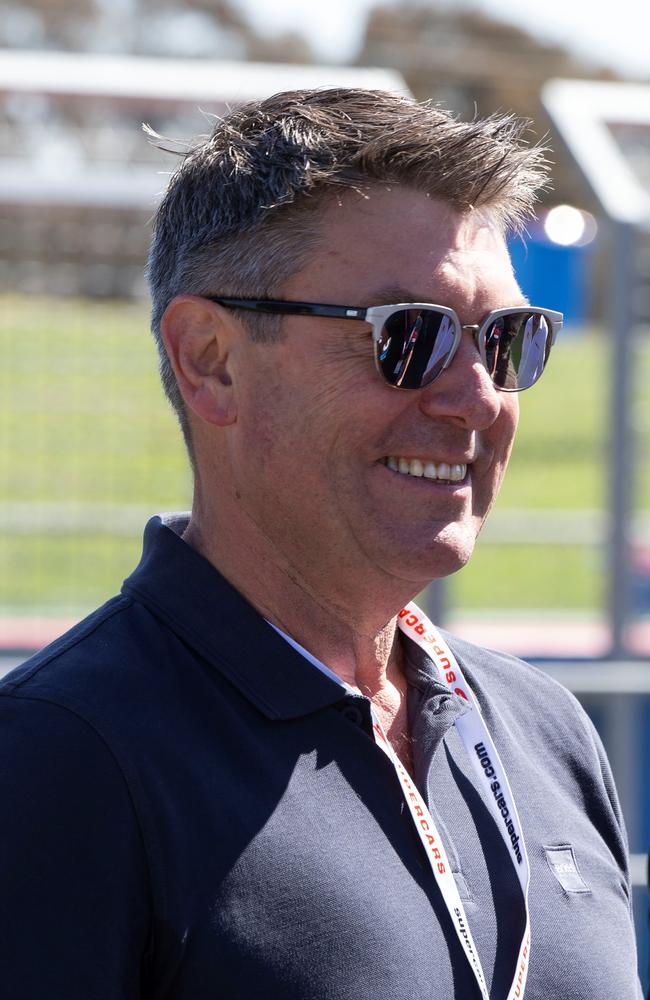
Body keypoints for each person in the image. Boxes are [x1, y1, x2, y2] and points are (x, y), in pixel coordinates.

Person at [0, 89, 642, 1000]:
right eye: (409, 337)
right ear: (211, 358)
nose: (476, 398)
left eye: (504, 341)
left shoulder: (546, 733)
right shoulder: (60, 763)